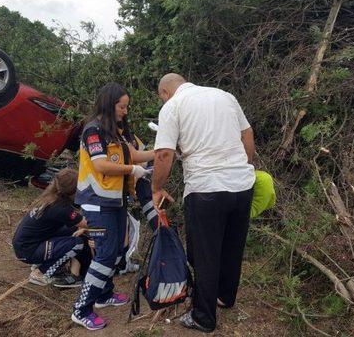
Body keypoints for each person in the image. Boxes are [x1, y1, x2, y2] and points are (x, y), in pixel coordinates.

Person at [151, 73, 255, 332]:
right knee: (233, 246)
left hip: (206, 189)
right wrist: (244, 166)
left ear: (165, 92)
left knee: (205, 255)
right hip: (242, 184)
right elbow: (247, 134)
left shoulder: (172, 106)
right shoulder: (224, 96)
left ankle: (203, 317)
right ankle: (225, 297)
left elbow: (164, 153)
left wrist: (157, 187)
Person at [71, 82, 154, 331]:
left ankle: (104, 294)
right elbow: (101, 166)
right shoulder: (93, 131)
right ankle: (81, 309)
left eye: (126, 106)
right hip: (96, 203)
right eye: (122, 106)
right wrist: (131, 170)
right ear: (109, 104)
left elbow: (135, 155)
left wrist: (163, 151)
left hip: (115, 201)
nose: (125, 111)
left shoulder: (114, 131)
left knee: (116, 250)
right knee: (106, 254)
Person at [12, 168, 91, 288]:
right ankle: (41, 273)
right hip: (28, 250)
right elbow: (87, 223)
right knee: (77, 243)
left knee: (74, 230)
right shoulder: (60, 208)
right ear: (73, 190)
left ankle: (52, 263)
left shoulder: (51, 196)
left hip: (25, 243)